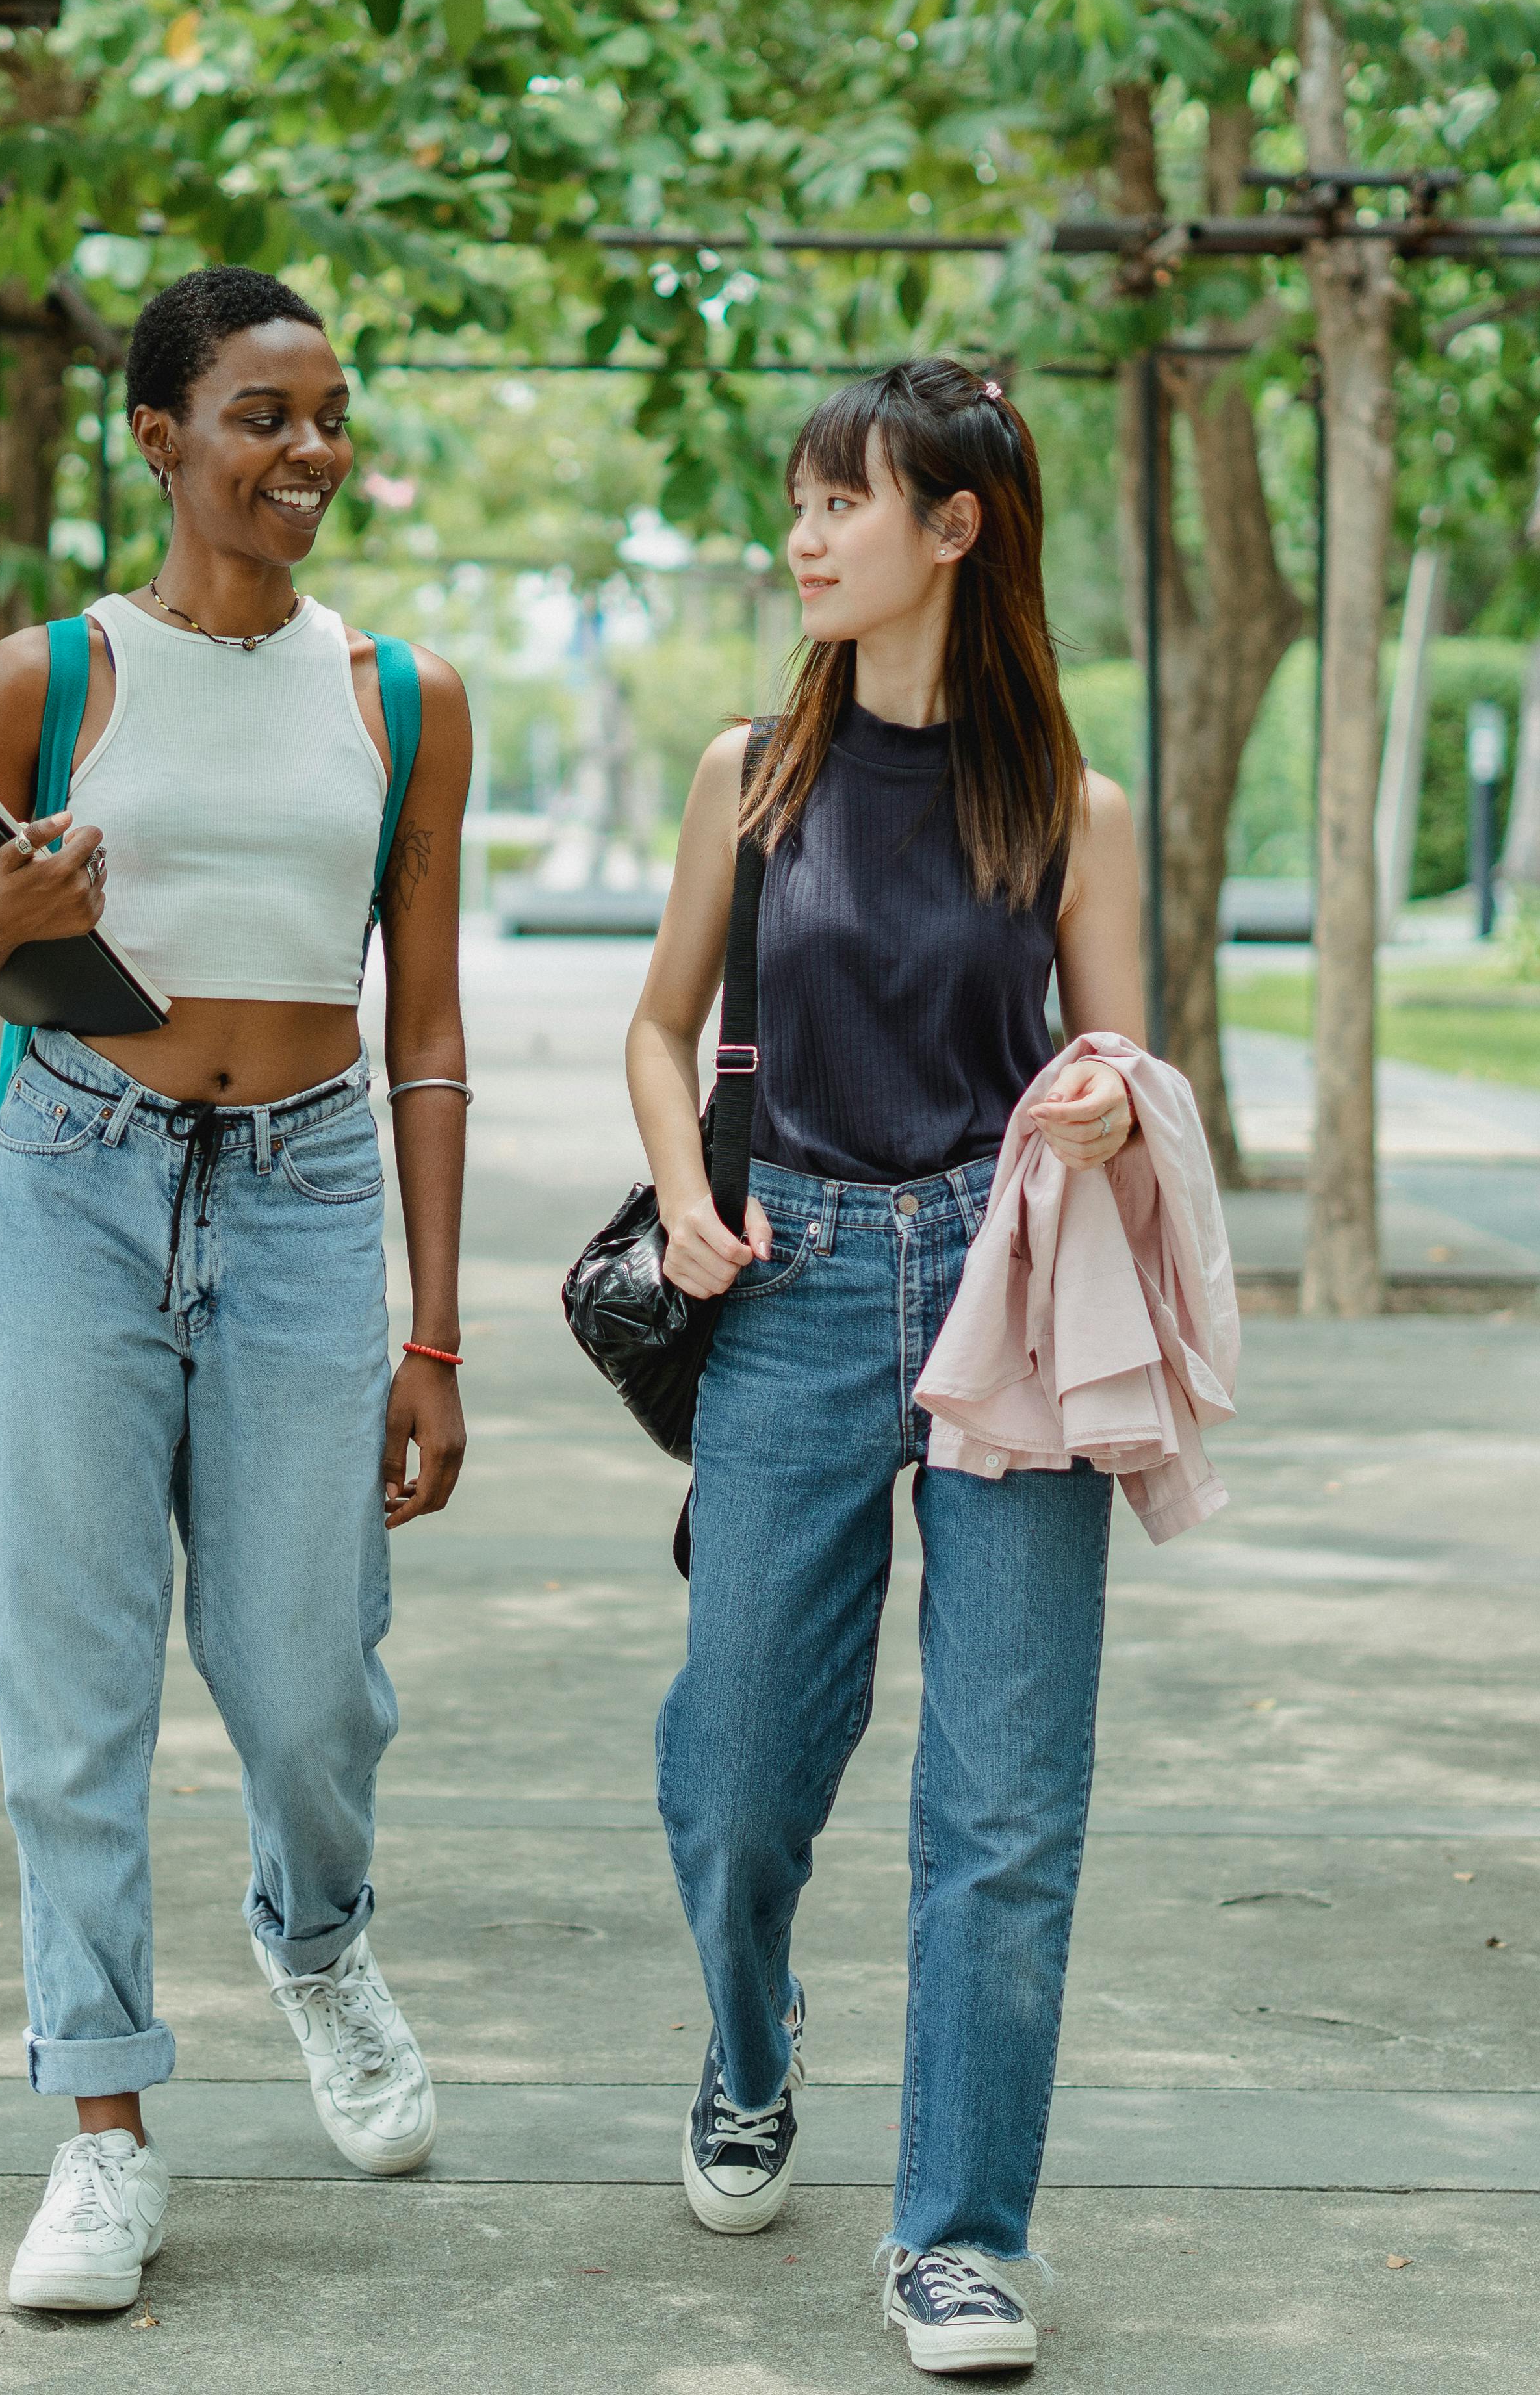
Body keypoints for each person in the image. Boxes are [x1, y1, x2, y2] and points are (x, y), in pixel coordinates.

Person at [0, 264, 476, 2314]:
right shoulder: (42, 680)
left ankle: (317, 1942)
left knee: (311, 1679)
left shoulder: (401, 698)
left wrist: (437, 1327)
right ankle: (102, 2126)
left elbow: (425, 1023)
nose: (309, 451)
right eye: (261, 415)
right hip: (78, 1178)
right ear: (159, 436)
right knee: (76, 1681)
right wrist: (1, 920)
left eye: (328, 415)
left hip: (313, 1198)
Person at [621, 358, 1143, 2378]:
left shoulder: (1070, 809)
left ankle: (960, 2240)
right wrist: (682, 1199)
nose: (807, 533)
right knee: (741, 1767)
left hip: (1009, 1291)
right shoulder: (751, 770)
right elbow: (665, 1032)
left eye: (850, 498)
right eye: (800, 499)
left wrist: (1098, 1104)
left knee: (1006, 1800)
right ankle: (751, 2047)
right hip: (796, 1282)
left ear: (957, 529)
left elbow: (1120, 1058)